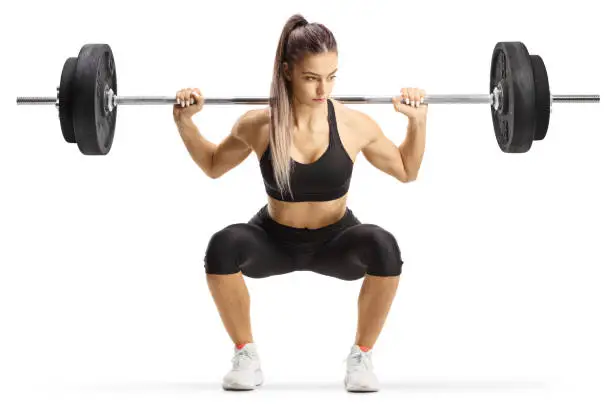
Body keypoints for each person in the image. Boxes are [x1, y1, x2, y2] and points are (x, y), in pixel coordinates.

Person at [173, 14, 427, 393]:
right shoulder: (259, 125)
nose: (323, 88)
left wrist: (417, 122)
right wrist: (185, 123)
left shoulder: (354, 124)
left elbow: (407, 170)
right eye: (311, 78)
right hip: (273, 241)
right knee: (222, 246)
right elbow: (213, 165)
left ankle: (361, 358)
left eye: (331, 76)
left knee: (383, 246)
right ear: (288, 71)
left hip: (336, 242)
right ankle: (246, 356)